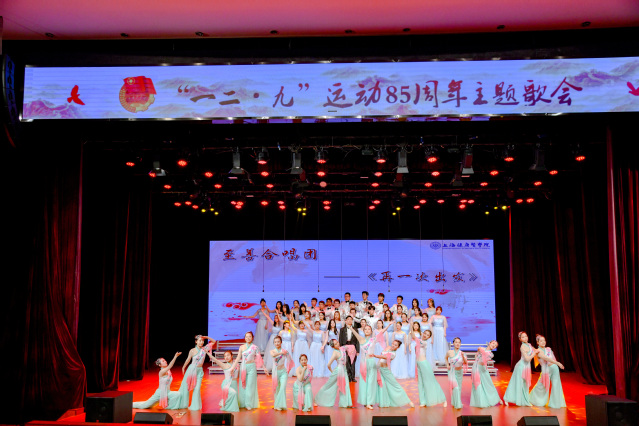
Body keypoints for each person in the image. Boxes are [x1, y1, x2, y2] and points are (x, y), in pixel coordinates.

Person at [369, 340, 415, 408]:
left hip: (385, 370)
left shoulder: (393, 354)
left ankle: (408, 401)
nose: (393, 345)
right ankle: (383, 403)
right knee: (381, 385)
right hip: (379, 369)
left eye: (395, 345)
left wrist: (375, 355)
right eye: (393, 343)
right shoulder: (388, 347)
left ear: (398, 347)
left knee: (395, 385)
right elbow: (381, 357)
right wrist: (377, 367)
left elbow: (384, 357)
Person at [348, 322, 383, 409]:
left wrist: (389, 325)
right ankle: (365, 401)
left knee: (371, 382)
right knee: (364, 382)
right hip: (363, 363)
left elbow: (382, 332)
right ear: (363, 331)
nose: (367, 330)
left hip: (371, 362)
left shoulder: (373, 339)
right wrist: (350, 327)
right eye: (365, 329)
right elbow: (355, 333)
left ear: (371, 331)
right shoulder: (361, 339)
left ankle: (369, 402)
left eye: (369, 329)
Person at [175, 335, 216, 410]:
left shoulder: (204, 349)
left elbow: (214, 341)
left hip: (200, 371)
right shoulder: (192, 350)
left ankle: (195, 406)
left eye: (202, 341)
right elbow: (188, 359)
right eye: (200, 340)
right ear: (196, 341)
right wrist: (183, 367)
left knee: (197, 389)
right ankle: (183, 403)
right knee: (186, 387)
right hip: (192, 370)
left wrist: (206, 337)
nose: (201, 342)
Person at [315, 339, 357, 408]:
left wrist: (352, 350)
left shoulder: (342, 349)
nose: (338, 344)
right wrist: (332, 372)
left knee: (345, 386)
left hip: (344, 370)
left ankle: (345, 404)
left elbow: (350, 346)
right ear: (333, 346)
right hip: (338, 370)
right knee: (328, 385)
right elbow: (328, 364)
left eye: (337, 342)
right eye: (336, 344)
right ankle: (317, 399)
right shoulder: (335, 353)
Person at [530, 335, 566, 408]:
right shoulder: (538, 351)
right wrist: (558, 363)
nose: (543, 342)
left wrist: (555, 364)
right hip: (546, 370)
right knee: (541, 386)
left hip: (554, 368)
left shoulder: (548, 349)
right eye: (541, 341)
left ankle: (556, 404)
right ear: (537, 342)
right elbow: (546, 358)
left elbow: (553, 358)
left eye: (544, 340)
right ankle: (534, 399)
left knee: (556, 385)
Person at [504, 331, 538, 407]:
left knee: (525, 384)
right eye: (523, 337)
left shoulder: (529, 345)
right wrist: (534, 353)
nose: (525, 338)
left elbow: (535, 351)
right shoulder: (522, 347)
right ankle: (508, 398)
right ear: (520, 339)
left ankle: (525, 400)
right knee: (517, 383)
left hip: (527, 367)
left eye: (526, 336)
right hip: (521, 367)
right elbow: (527, 359)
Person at [236, 331, 265, 410]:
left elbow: (259, 358)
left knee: (250, 385)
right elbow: (238, 358)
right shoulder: (241, 347)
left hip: (252, 367)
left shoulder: (255, 347)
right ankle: (242, 403)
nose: (248, 338)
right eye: (246, 336)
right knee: (243, 385)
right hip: (243, 367)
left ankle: (249, 403)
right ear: (245, 338)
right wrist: (233, 367)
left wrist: (264, 368)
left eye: (249, 336)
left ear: (252, 338)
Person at [416, 331, 447, 407]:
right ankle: (423, 401)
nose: (425, 335)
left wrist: (411, 327)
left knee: (430, 382)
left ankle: (443, 399)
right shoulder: (420, 341)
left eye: (427, 335)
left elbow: (416, 339)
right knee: (420, 383)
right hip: (418, 364)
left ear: (429, 337)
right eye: (425, 333)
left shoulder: (424, 343)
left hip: (424, 364)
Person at [470, 340, 502, 408]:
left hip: (483, 369)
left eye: (495, 346)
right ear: (490, 343)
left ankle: (496, 399)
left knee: (488, 384)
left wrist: (482, 351)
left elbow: (484, 360)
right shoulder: (482, 349)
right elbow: (476, 356)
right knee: (477, 384)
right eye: (493, 343)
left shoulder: (491, 354)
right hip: (476, 367)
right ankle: (479, 401)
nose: (493, 345)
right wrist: (478, 352)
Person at [266, 335, 293, 411]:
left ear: (281, 342)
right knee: (277, 388)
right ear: (274, 343)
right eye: (275, 342)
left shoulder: (285, 351)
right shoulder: (272, 351)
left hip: (283, 372)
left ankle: (280, 404)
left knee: (282, 388)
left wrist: (288, 369)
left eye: (278, 342)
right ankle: (277, 405)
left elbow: (290, 360)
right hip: (276, 372)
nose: (277, 343)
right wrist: (281, 353)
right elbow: (273, 355)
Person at [446, 337, 468, 409]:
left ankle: (455, 402)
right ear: (453, 343)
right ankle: (458, 404)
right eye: (456, 342)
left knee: (459, 388)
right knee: (455, 388)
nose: (457, 344)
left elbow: (465, 363)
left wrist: (463, 356)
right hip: (452, 372)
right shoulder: (450, 352)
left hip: (459, 372)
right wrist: (447, 365)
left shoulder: (462, 353)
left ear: (460, 344)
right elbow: (446, 358)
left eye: (459, 342)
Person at [338, 315, 360, 382]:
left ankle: (353, 377)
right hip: (345, 346)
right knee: (346, 362)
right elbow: (340, 339)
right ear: (345, 321)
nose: (349, 320)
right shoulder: (342, 329)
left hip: (353, 346)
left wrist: (358, 350)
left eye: (351, 319)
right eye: (348, 319)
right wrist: (341, 348)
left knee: (353, 362)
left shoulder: (355, 329)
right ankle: (348, 377)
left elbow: (357, 340)